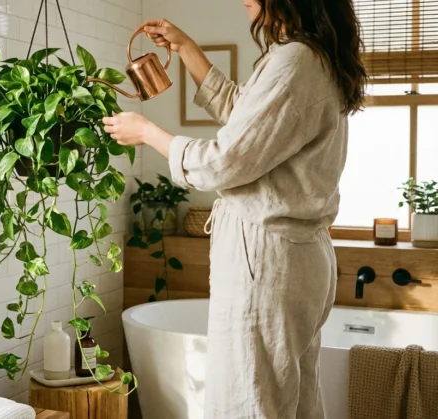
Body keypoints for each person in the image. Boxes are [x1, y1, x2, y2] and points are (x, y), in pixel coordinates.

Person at [103, 1, 367, 418]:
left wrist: (149, 133)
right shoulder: (315, 57)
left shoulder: (296, 59)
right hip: (296, 256)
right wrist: (186, 47)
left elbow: (227, 160)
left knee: (250, 400)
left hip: (268, 259)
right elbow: (249, 117)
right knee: (290, 400)